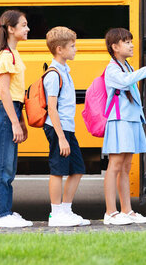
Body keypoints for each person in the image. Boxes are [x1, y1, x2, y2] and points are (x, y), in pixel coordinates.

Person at [102, 28, 146, 225]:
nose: (132, 45)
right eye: (126, 42)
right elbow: (125, 83)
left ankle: (127, 210)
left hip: (130, 120)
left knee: (125, 167)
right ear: (114, 47)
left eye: (131, 41)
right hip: (119, 121)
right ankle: (110, 212)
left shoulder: (128, 67)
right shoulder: (113, 69)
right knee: (115, 165)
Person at [0, 10, 33, 228]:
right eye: (23, 25)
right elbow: (4, 91)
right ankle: (0, 215)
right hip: (4, 114)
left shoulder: (13, 53)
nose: (27, 29)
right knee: (2, 167)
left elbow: (15, 93)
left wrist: (20, 120)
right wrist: (14, 121)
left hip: (10, 111)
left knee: (8, 166)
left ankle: (5, 211)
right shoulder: (6, 56)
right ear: (11, 29)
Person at [42, 27, 90, 227]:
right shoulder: (53, 74)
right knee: (58, 170)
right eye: (72, 46)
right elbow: (52, 109)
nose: (76, 49)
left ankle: (66, 210)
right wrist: (61, 137)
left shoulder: (64, 71)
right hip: (57, 129)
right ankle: (55, 213)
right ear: (60, 49)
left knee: (77, 169)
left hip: (67, 128)